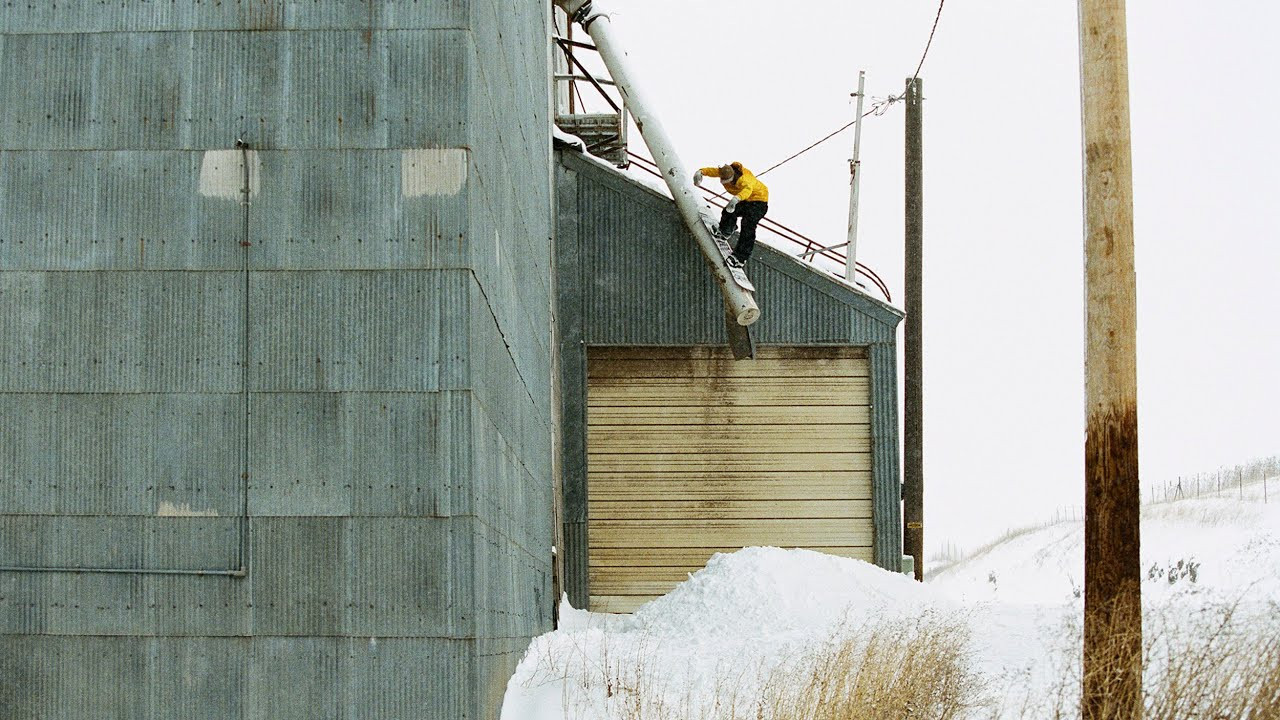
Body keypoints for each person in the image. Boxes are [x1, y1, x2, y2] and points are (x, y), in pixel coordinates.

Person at [693, 162, 769, 268]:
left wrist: (736, 199)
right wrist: (700, 172)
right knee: (728, 211)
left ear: (733, 177)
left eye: (728, 181)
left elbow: (748, 190)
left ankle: (740, 257)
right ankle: (726, 231)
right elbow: (713, 171)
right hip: (747, 200)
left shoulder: (744, 179)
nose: (725, 183)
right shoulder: (726, 171)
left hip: (759, 202)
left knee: (748, 225)